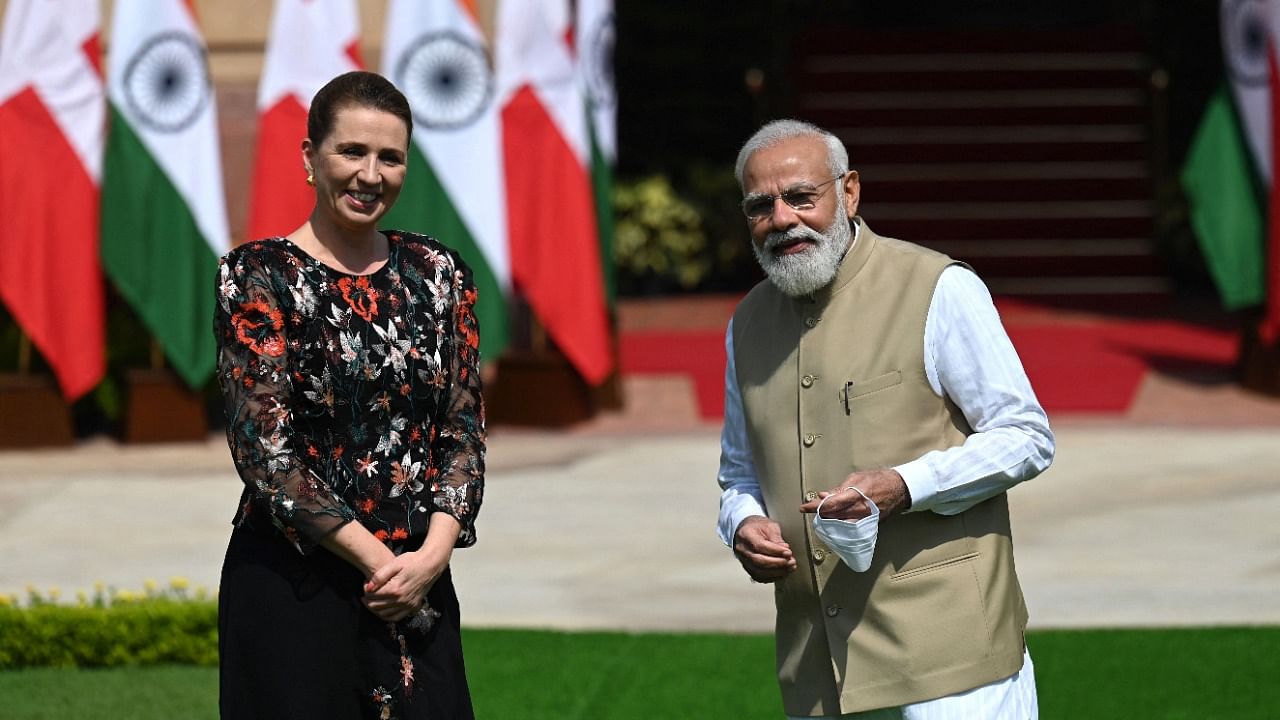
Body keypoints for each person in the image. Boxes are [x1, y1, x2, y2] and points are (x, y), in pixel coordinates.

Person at [717, 118, 1055, 719]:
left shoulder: (937, 287)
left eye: (801, 197)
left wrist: (905, 485)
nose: (783, 219)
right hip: (816, 668)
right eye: (761, 206)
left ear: (848, 192)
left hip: (952, 666)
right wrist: (741, 523)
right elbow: (740, 475)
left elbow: (1025, 437)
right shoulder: (745, 325)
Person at [215, 71, 483, 719]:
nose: (371, 174)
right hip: (295, 588)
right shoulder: (258, 276)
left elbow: (463, 433)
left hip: (418, 582)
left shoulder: (441, 274)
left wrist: (431, 558)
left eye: (390, 157)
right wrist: (384, 565)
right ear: (310, 158)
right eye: (352, 152)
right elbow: (266, 455)